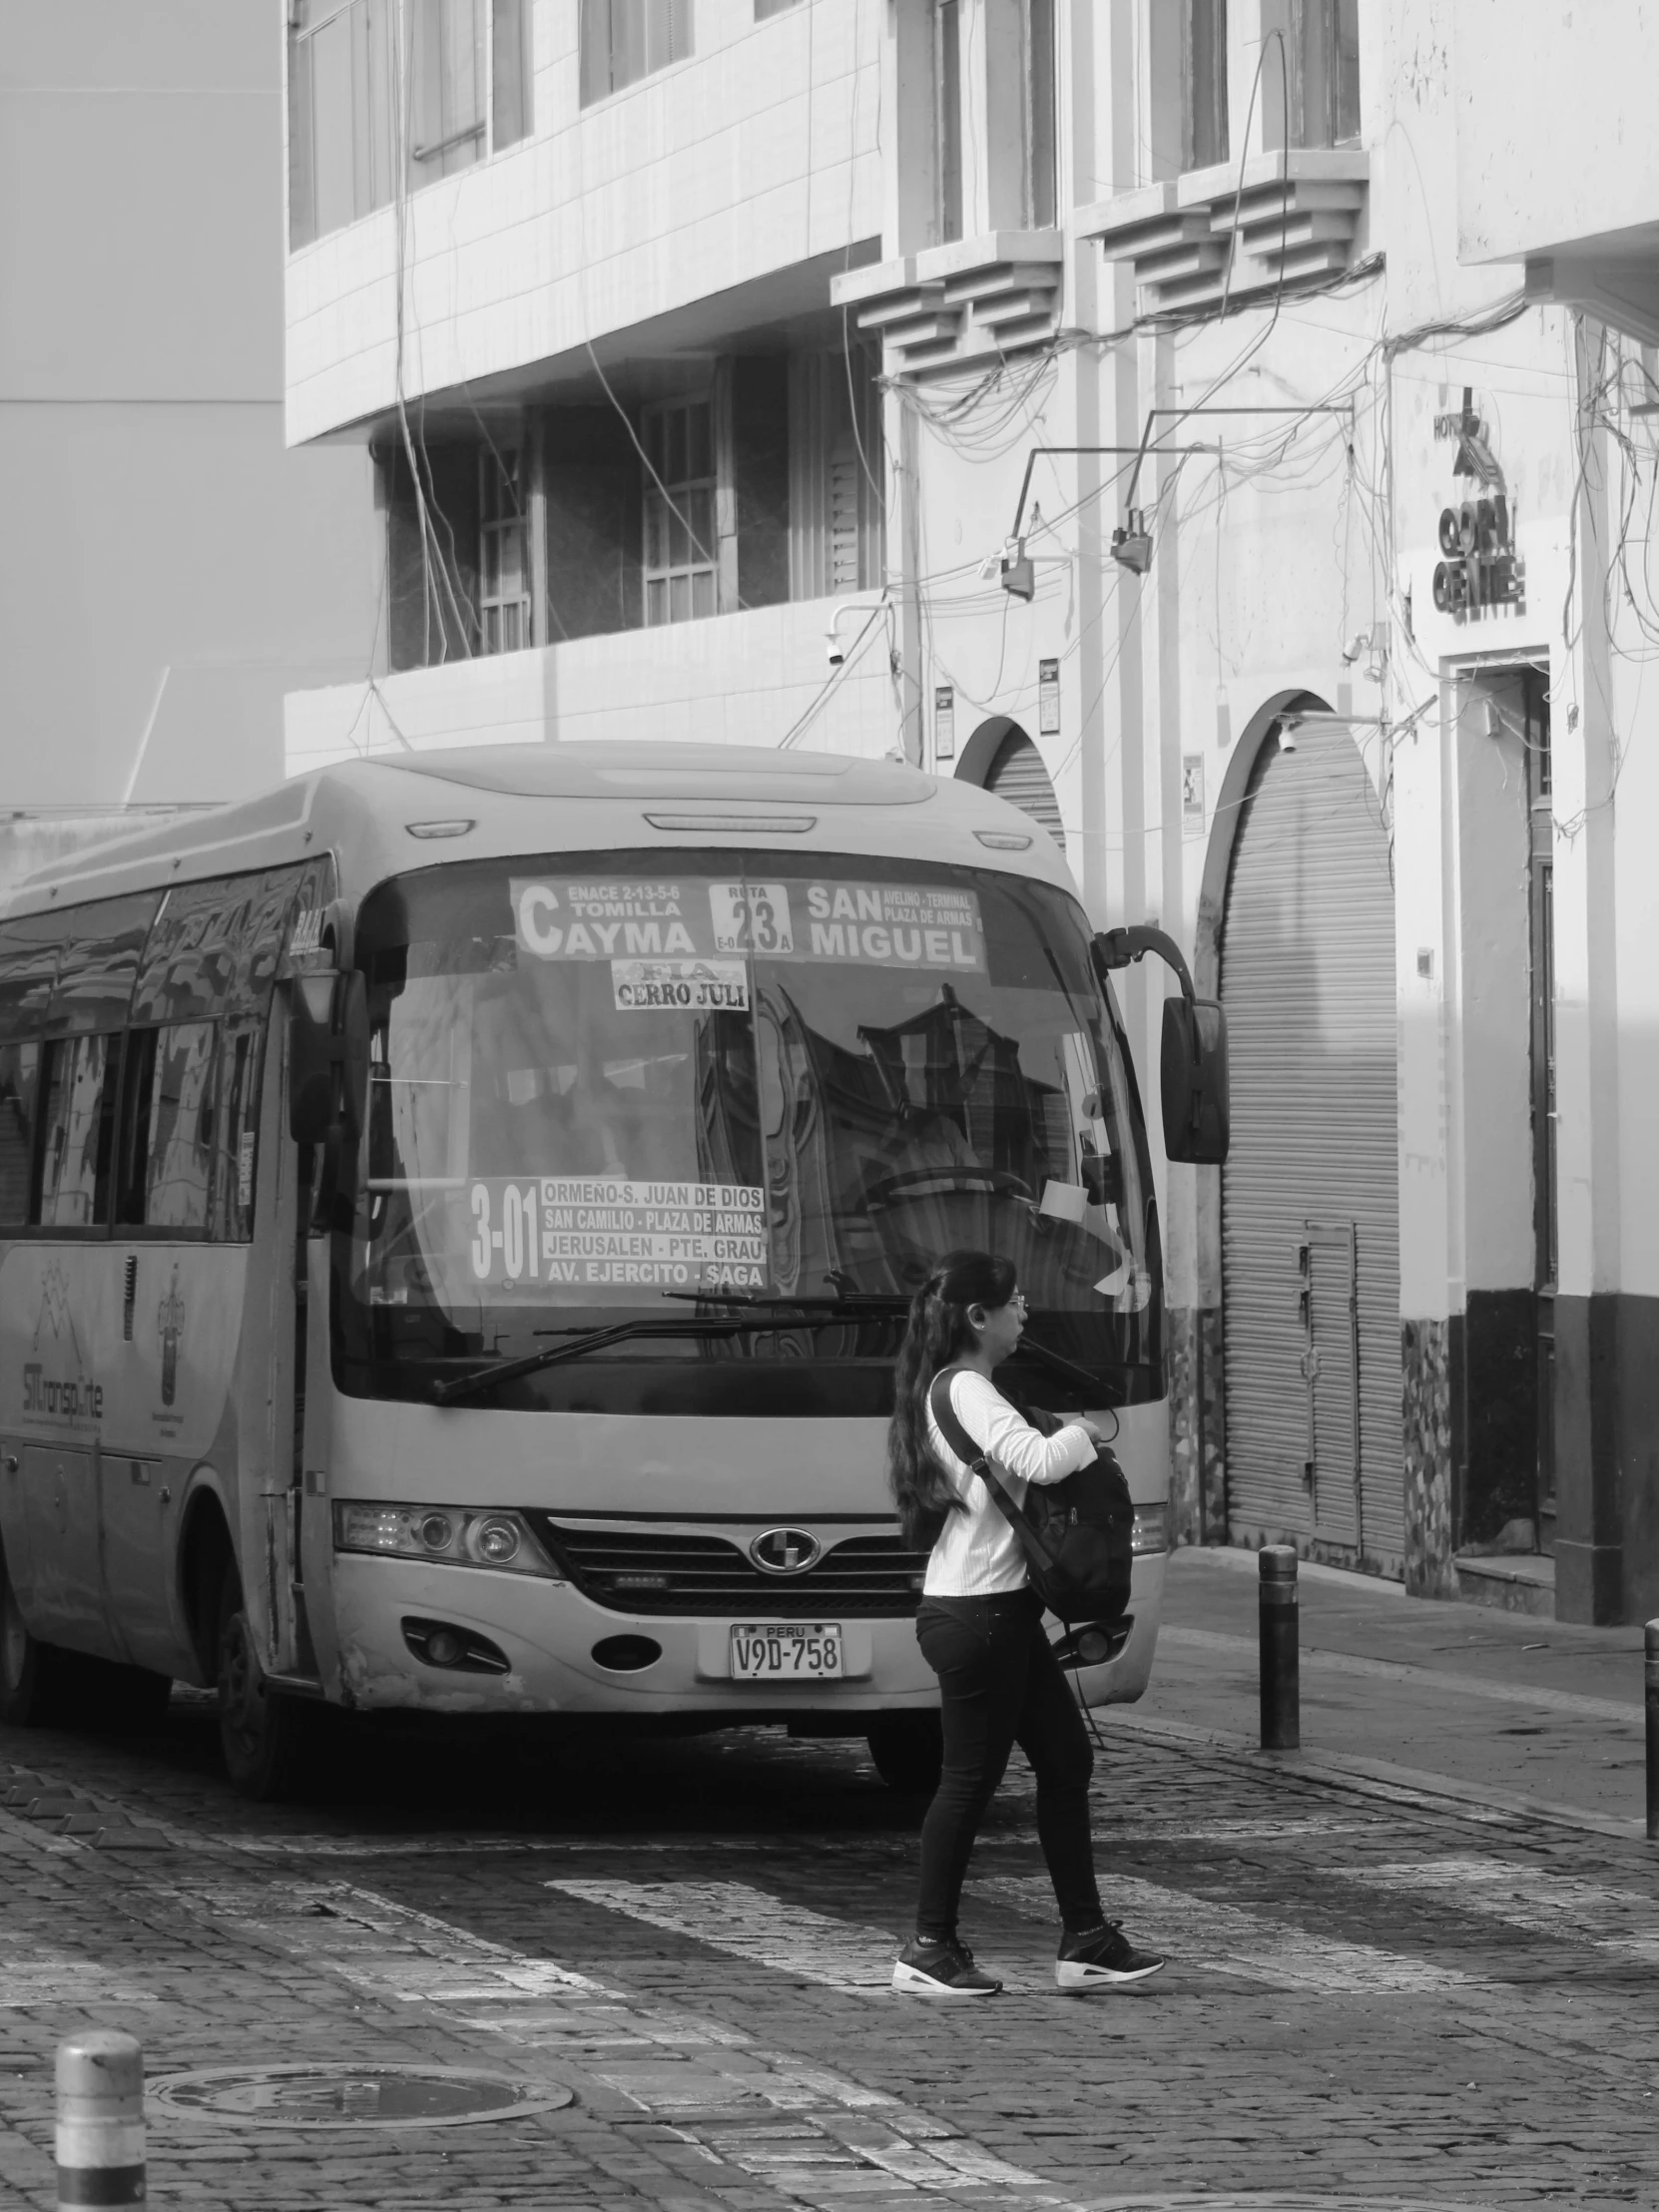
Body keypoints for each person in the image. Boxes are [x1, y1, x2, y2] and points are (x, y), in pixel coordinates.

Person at [885, 1249, 1165, 1998]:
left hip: (996, 1611)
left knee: (1066, 1761)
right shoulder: (967, 1387)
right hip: (977, 1617)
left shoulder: (959, 1385)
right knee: (967, 1782)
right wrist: (1088, 1432)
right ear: (979, 1316)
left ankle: (1087, 1939)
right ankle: (927, 1947)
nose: (1025, 1313)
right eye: (1015, 1302)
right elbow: (1038, 1461)